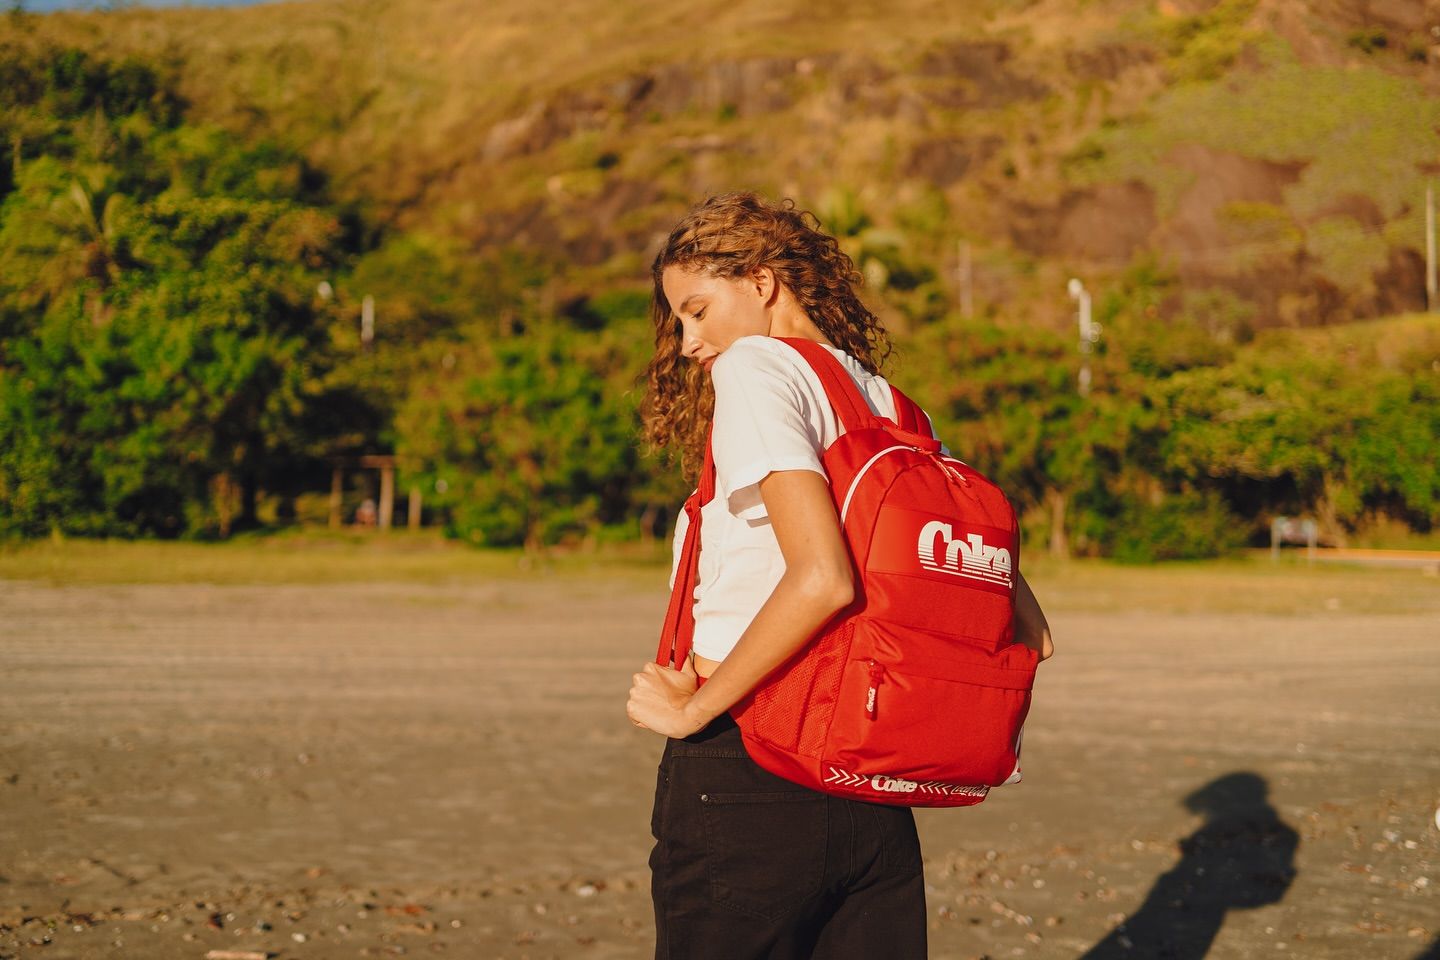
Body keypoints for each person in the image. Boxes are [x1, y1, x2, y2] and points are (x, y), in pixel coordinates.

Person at [627, 192, 1054, 960]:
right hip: (874, 780)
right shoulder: (897, 410)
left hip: (749, 760)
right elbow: (1031, 632)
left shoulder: (759, 366)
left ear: (761, 282)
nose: (690, 342)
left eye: (697, 309)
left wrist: (694, 714)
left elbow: (823, 578)